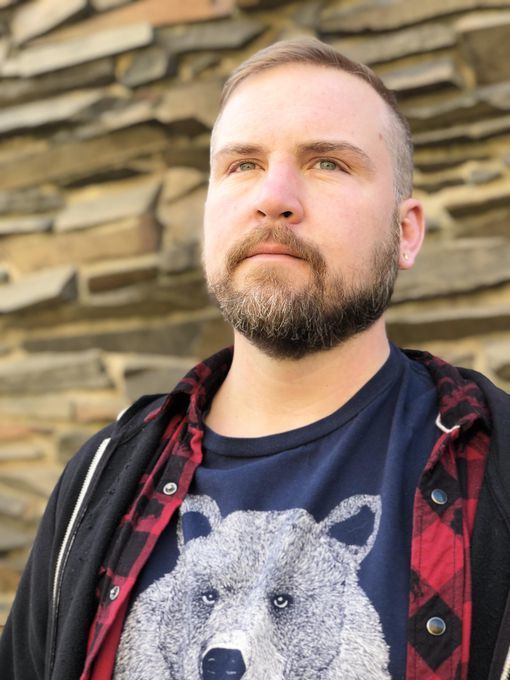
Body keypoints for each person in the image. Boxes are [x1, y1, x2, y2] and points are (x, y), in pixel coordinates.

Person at [1, 38, 509, 680]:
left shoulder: (498, 467)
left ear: (404, 233)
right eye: (242, 164)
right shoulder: (100, 480)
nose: (274, 196)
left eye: (327, 162)